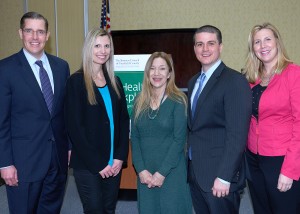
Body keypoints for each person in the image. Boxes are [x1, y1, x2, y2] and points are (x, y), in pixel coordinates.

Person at [0, 12, 70, 213]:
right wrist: (5, 163)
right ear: (20, 33)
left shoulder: (61, 67)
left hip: (57, 159)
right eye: (29, 31)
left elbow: (64, 112)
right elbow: (1, 121)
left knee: (51, 210)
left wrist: (69, 146)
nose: (35, 37)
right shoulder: (5, 69)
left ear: (47, 35)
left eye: (40, 32)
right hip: (23, 163)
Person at [187, 25, 252, 214]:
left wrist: (224, 176)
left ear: (220, 47)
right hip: (196, 173)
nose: (205, 49)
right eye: (200, 44)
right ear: (194, 49)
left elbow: (238, 135)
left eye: (210, 43)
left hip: (220, 176)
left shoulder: (235, 81)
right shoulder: (193, 82)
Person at [64, 28, 129, 213]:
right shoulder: (76, 82)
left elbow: (123, 121)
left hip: (113, 162)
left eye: (107, 46)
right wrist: (99, 163)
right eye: (97, 46)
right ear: (88, 49)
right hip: (89, 164)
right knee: (94, 210)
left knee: (109, 209)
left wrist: (119, 156)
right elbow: (75, 128)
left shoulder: (115, 82)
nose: (103, 50)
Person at [243, 22, 300, 214]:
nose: (263, 45)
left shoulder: (294, 74)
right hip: (253, 158)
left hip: (281, 158)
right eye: (257, 42)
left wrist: (289, 170)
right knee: (261, 209)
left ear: (277, 42)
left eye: (267, 39)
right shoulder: (251, 78)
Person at [131, 52, 193, 213]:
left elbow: (179, 140)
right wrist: (141, 169)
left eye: (162, 69)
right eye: (152, 69)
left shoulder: (178, 100)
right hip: (145, 172)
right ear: (147, 73)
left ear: (169, 74)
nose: (156, 73)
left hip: (171, 171)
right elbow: (135, 137)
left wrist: (161, 173)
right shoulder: (139, 100)